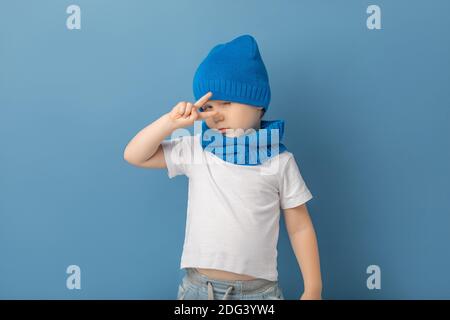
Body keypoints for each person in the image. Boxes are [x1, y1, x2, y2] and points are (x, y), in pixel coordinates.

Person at [124, 34, 322, 300]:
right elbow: (135, 155)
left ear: (259, 104)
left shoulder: (278, 160)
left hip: (259, 294)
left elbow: (299, 226)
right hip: (198, 289)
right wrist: (170, 123)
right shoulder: (198, 148)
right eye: (207, 106)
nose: (216, 115)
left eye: (227, 103)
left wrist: (313, 288)